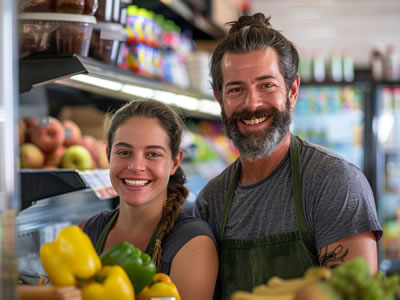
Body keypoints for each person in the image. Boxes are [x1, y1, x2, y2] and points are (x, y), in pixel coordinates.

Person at [194, 12, 382, 299]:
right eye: (235, 89)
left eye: (266, 85)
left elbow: (356, 294)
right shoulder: (211, 199)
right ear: (220, 99)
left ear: (292, 91)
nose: (252, 103)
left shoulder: (333, 182)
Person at [80, 99, 218, 300]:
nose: (136, 166)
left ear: (174, 162)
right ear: (109, 156)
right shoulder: (87, 231)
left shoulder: (194, 244)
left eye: (153, 154)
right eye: (124, 152)